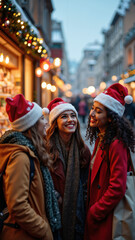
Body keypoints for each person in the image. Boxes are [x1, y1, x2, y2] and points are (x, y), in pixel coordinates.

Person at [0, 94, 61, 240]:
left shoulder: (32, 150)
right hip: (23, 234)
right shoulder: (20, 157)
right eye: (41, 119)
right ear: (31, 126)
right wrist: (44, 229)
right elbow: (18, 205)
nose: (46, 122)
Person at [84, 83, 135, 240]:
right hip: (100, 212)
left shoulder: (116, 143)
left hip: (108, 217)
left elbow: (117, 187)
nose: (92, 113)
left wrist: (95, 212)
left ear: (111, 118)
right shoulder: (102, 137)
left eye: (99, 111)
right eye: (93, 108)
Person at [43, 97, 91, 240]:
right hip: (53, 212)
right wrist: (54, 195)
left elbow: (87, 182)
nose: (71, 120)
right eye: (64, 116)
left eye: (73, 116)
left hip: (78, 213)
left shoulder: (84, 150)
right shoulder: (45, 150)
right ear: (55, 123)